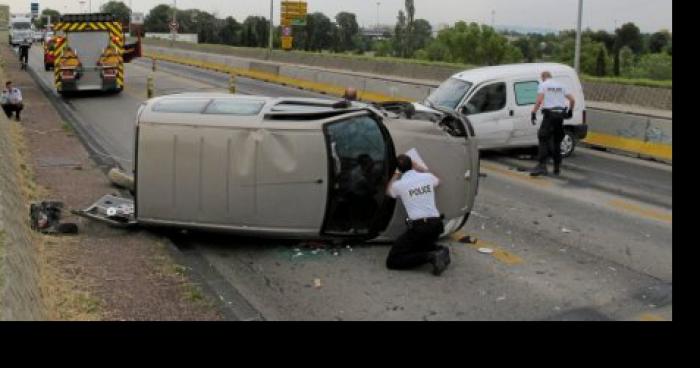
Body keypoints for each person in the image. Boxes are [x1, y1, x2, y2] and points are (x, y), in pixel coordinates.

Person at [385, 154, 450, 276]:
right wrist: (420, 168)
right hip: (436, 226)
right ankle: (440, 250)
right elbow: (439, 181)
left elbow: (388, 192)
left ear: (399, 169)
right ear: (412, 165)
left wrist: (395, 174)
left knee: (393, 261)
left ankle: (430, 256)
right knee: (417, 246)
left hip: (421, 228)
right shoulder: (427, 177)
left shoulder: (400, 184)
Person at [530, 71, 576, 177]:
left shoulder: (543, 85)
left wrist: (533, 112)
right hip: (559, 118)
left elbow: (539, 100)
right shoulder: (561, 85)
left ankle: (542, 166)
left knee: (543, 138)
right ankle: (556, 167)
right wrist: (570, 111)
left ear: (543, 77)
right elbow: (572, 100)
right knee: (556, 142)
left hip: (549, 116)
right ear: (551, 77)